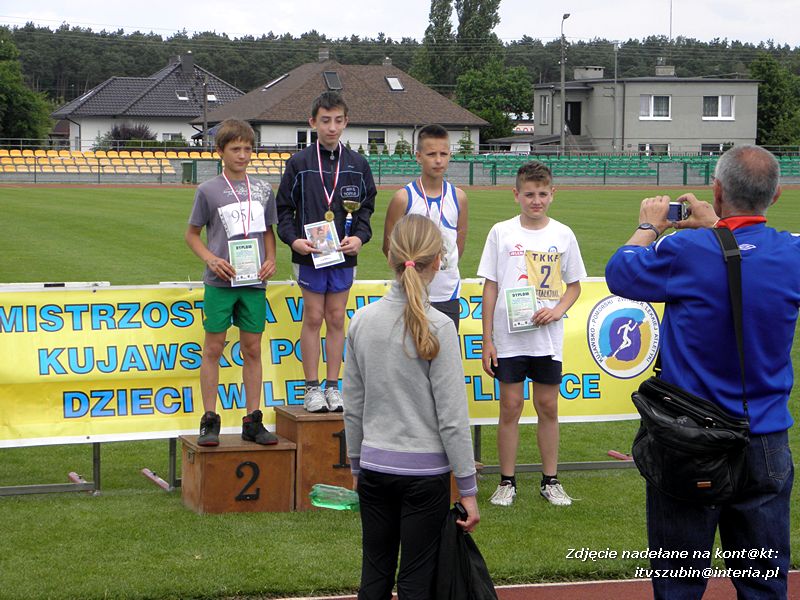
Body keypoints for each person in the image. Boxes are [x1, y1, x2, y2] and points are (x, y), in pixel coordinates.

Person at [605, 144, 797, 599]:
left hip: (691, 440)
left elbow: (620, 271)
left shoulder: (686, 250)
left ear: (717, 190)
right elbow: (747, 257)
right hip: (764, 438)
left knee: (679, 586)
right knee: (765, 587)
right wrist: (720, 228)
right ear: (776, 196)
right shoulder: (791, 253)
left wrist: (649, 225)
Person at [343, 213, 479, 600]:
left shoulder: (363, 320)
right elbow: (452, 418)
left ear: (391, 258)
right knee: (418, 579)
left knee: (375, 571)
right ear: (438, 262)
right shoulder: (439, 326)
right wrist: (467, 488)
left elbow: (352, 406)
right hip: (424, 472)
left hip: (375, 466)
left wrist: (356, 464)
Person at [478, 161, 586, 507]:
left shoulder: (563, 234)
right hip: (509, 339)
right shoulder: (501, 232)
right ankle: (506, 482)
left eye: (542, 194)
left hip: (547, 339)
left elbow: (574, 286)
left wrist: (558, 310)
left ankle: (550, 480)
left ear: (553, 194)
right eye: (529, 194)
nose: (536, 200)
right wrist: (487, 340)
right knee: (510, 406)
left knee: (547, 405)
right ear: (516, 195)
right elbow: (490, 288)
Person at [277, 91, 376, 413]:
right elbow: (283, 210)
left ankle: (333, 387)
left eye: (337, 121)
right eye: (325, 121)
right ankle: (311, 388)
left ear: (346, 122)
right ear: (312, 123)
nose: (331, 128)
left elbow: (366, 210)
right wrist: (293, 241)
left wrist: (360, 238)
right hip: (309, 254)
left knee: (336, 318)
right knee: (314, 317)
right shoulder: (299, 163)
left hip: (343, 254)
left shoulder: (358, 165)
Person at [185, 118, 278, 447]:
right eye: (235, 148)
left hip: (254, 283)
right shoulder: (208, 190)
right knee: (213, 349)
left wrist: (271, 259)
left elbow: (269, 231)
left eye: (248, 148)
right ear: (220, 151)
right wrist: (211, 259)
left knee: (252, 349)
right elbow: (192, 235)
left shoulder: (264, 189)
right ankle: (209, 419)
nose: (243, 154)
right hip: (221, 281)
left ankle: (253, 420)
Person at [382, 123, 468, 329]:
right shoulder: (403, 198)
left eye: (443, 153)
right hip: (412, 292)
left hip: (448, 292)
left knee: (444, 352)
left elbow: (459, 243)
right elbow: (389, 247)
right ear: (418, 156)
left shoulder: (459, 197)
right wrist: (413, 273)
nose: (438, 160)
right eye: (431, 154)